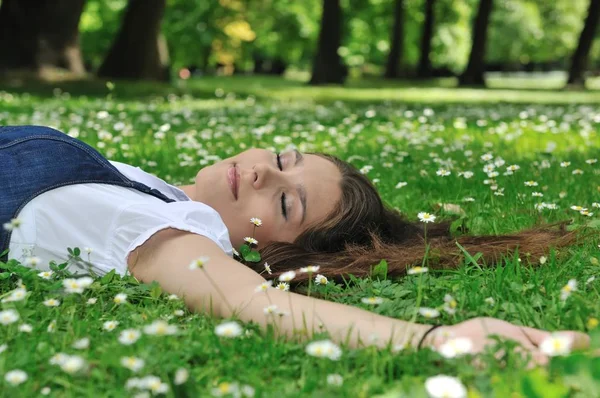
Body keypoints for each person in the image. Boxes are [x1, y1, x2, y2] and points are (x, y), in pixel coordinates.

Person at [0, 125, 590, 362]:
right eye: (283, 160)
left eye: (286, 203)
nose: (263, 173)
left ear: (268, 253)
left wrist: (440, 339)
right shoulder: (157, 195)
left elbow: (255, 303)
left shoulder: (170, 236)